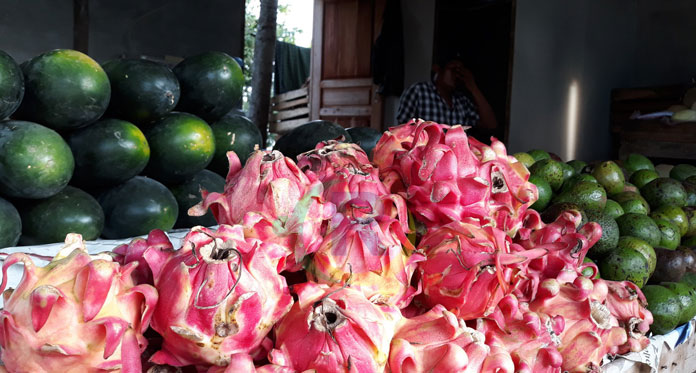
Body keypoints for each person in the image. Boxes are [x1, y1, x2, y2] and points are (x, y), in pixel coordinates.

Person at [396, 52, 497, 129]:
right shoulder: (418, 91)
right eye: (453, 70)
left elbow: (491, 125)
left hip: (456, 155)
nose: (457, 75)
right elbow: (402, 130)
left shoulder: (462, 101)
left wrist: (473, 87)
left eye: (460, 72)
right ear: (438, 69)